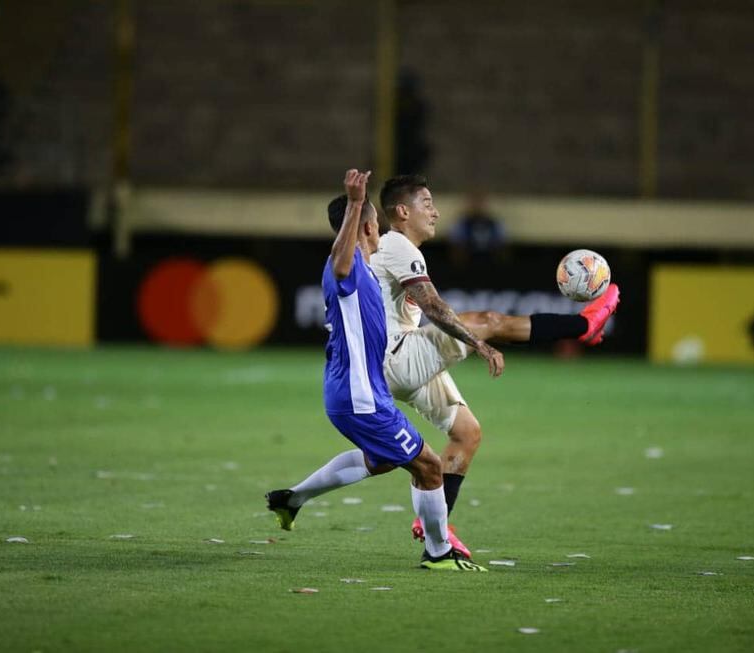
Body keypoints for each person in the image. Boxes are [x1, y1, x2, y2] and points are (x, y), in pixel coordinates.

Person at [371, 174, 620, 549]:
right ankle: (583, 325)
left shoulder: (395, 247)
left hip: (400, 361)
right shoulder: (397, 246)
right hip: (396, 358)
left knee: (466, 434)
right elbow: (433, 306)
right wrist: (478, 343)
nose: (436, 213)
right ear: (403, 211)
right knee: (488, 323)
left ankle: (434, 524)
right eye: (427, 204)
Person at [265, 169, 486, 572]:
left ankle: (291, 499)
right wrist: (354, 204)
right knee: (429, 466)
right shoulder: (345, 272)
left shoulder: (369, 272)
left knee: (381, 460)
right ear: (370, 225)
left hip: (363, 391)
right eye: (375, 224)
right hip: (360, 395)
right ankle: (439, 553)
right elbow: (342, 263)